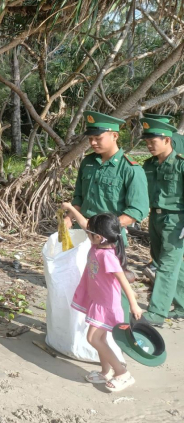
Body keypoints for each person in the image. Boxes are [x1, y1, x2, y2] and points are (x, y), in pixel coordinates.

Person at [60, 209, 142, 392]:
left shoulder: (107, 256)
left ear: (99, 237)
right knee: (101, 338)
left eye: (90, 233)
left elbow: (123, 282)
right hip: (97, 300)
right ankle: (105, 371)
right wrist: (71, 209)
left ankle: (122, 373)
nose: (86, 232)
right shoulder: (96, 246)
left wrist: (134, 304)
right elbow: (84, 224)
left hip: (106, 305)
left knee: (93, 338)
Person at [63, 111, 148, 277]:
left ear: (114, 135)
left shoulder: (130, 169)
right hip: (82, 234)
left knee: (113, 286)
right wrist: (69, 217)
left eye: (98, 138)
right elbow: (79, 196)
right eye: (90, 138)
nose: (93, 142)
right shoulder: (88, 163)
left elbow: (137, 210)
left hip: (110, 239)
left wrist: (106, 229)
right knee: (83, 281)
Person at [139, 117, 184, 324]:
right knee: (164, 261)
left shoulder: (180, 164)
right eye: (146, 142)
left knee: (166, 265)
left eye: (153, 142)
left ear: (167, 140)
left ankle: (157, 313)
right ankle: (182, 304)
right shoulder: (148, 165)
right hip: (154, 217)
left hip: (176, 220)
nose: (148, 146)